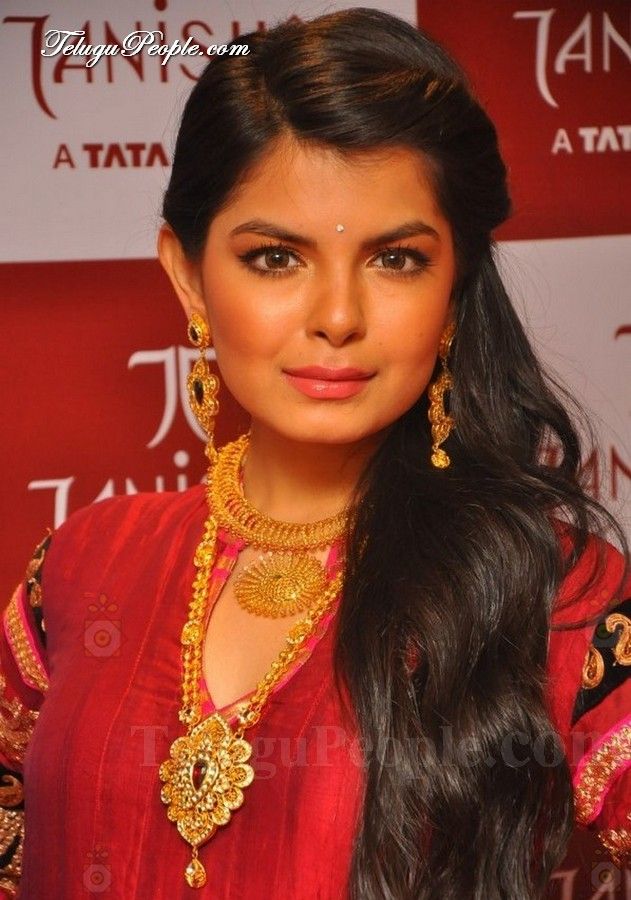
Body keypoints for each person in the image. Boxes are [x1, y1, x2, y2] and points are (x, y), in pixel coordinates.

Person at [1, 7, 629, 899]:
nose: (337, 316)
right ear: (188, 275)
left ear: (454, 290)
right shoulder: (80, 566)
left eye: (395, 260)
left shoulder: (549, 593)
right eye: (274, 258)